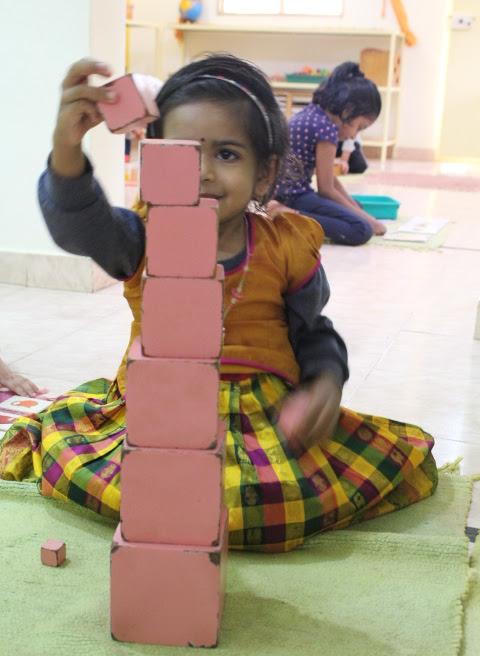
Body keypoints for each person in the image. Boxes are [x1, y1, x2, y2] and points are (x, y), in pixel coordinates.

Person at [0, 54, 437, 552]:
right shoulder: (140, 235)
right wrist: (67, 150)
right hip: (159, 411)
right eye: (182, 152)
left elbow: (315, 330)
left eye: (226, 154)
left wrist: (324, 382)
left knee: (272, 497)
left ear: (264, 171)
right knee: (138, 486)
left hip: (261, 414)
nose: (202, 172)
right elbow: (82, 226)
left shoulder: (283, 245)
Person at [273, 62, 386, 246]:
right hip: (291, 198)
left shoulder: (313, 114)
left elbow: (330, 180)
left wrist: (357, 209)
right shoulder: (327, 129)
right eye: (360, 127)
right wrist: (370, 221)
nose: (355, 135)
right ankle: (284, 214)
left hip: (282, 193)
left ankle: (284, 211)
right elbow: (326, 190)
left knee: (357, 207)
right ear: (347, 110)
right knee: (361, 229)